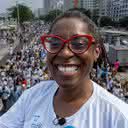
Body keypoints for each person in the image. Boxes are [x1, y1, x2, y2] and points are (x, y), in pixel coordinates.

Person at [0, 9, 128, 128]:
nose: (65, 53)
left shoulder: (119, 117)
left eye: (78, 44)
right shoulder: (32, 96)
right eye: (55, 44)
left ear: (96, 52)